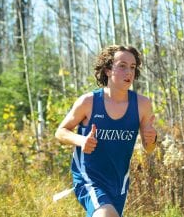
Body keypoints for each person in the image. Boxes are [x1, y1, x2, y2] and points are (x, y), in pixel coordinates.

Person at [55, 45, 157, 217]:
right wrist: (81, 141)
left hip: (119, 183)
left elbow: (149, 148)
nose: (129, 72)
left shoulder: (142, 105)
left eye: (132, 67)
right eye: (122, 66)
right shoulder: (89, 102)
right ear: (108, 70)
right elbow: (60, 132)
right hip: (88, 178)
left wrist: (152, 139)